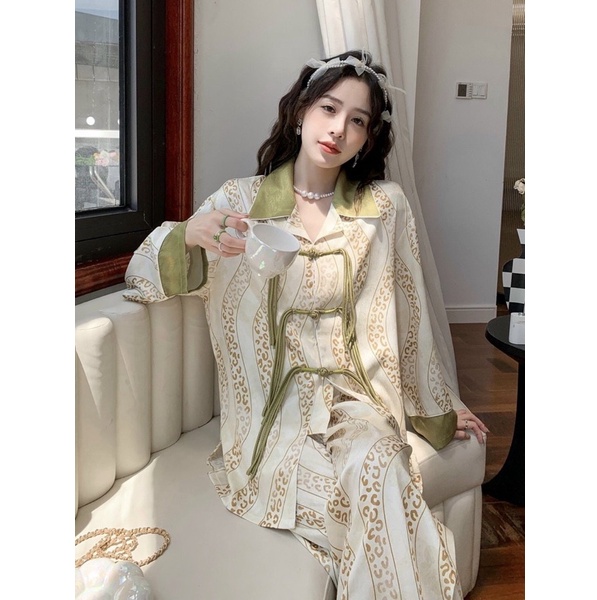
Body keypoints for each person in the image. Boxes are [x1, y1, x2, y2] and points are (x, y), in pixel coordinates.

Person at [124, 50, 488, 600]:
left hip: (360, 404)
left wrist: (436, 406)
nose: (339, 129)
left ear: (367, 137)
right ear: (301, 112)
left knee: (382, 469)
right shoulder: (239, 201)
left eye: (357, 120)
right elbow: (143, 276)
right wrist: (189, 234)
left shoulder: (384, 207)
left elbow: (409, 312)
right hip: (271, 423)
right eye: (329, 109)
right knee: (375, 511)